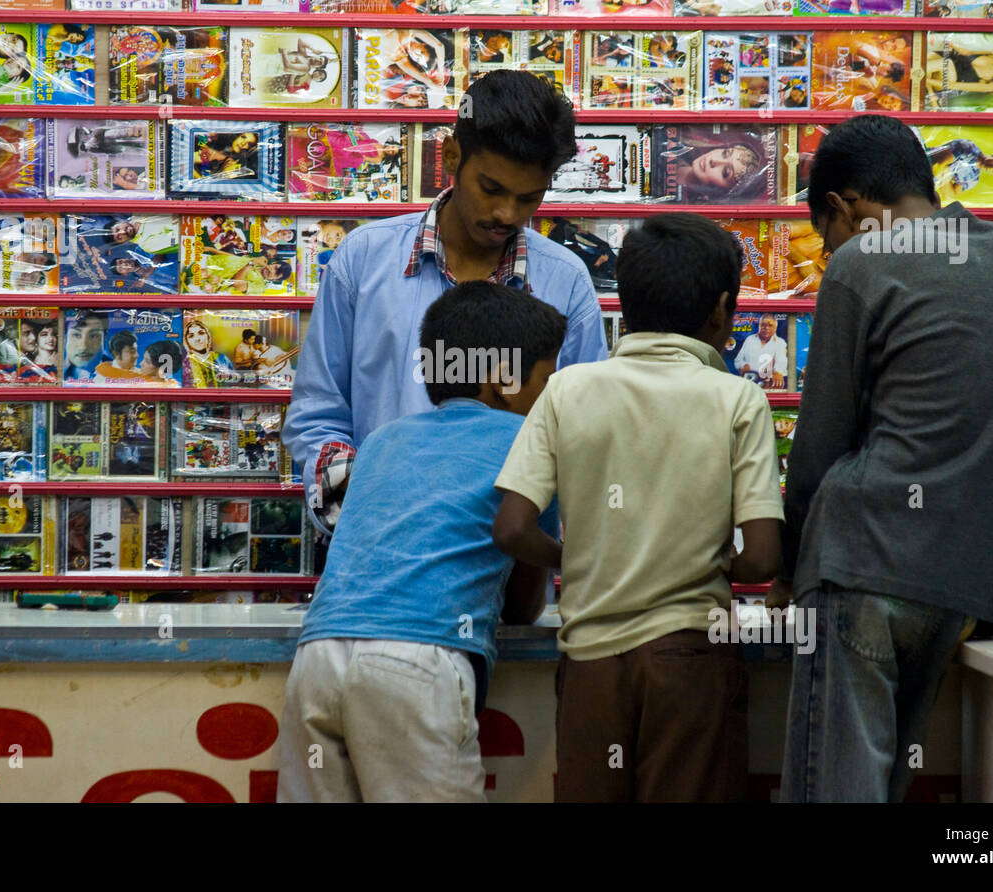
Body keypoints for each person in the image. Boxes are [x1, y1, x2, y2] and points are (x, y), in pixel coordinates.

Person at [776, 114, 993, 802]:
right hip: (963, 588)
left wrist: (790, 574)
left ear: (843, 207)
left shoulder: (860, 265)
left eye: (826, 235)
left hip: (861, 561)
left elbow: (816, 456)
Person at [493, 213, 784, 801]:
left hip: (590, 666)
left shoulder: (567, 389)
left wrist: (576, 557)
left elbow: (512, 527)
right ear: (724, 310)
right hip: (691, 659)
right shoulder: (738, 398)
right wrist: (698, 561)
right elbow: (763, 557)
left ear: (623, 303)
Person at [277, 282, 566, 802]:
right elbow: (524, 606)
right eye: (547, 378)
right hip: (419, 662)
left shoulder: (384, 439)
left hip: (317, 658)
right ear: (504, 380)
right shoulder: (530, 445)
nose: (552, 393)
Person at [283, 70, 606, 535]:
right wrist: (367, 520)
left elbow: (581, 432)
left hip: (509, 567)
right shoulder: (364, 259)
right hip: (377, 552)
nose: (507, 215)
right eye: (491, 189)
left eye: (529, 198)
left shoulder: (566, 281)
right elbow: (319, 416)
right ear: (452, 155)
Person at [732, 312, 788, 388]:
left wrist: (778, 372)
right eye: (763, 325)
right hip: (750, 383)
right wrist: (743, 365)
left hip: (768, 384)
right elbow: (738, 360)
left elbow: (781, 361)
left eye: (770, 325)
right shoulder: (750, 339)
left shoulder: (780, 343)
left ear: (775, 328)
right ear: (759, 326)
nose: (766, 328)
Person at [62, 312, 107, 382]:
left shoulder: (121, 373)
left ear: (105, 338)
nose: (84, 347)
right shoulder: (52, 374)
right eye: (76, 335)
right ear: (64, 339)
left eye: (93, 336)